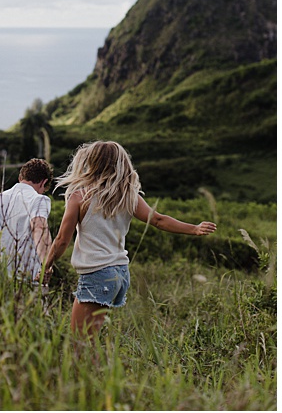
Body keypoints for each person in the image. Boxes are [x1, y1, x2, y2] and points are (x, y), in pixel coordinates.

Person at [42, 141, 216, 336]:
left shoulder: (79, 196)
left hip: (97, 272)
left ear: (91, 162)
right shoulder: (127, 195)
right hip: (119, 273)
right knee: (90, 339)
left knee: (79, 341)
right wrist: (194, 228)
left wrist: (46, 265)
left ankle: (94, 366)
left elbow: (62, 240)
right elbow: (158, 220)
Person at [0, 158, 54, 280]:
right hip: (25, 278)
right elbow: (39, 228)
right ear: (43, 183)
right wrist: (46, 266)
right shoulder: (38, 199)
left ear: (20, 178)